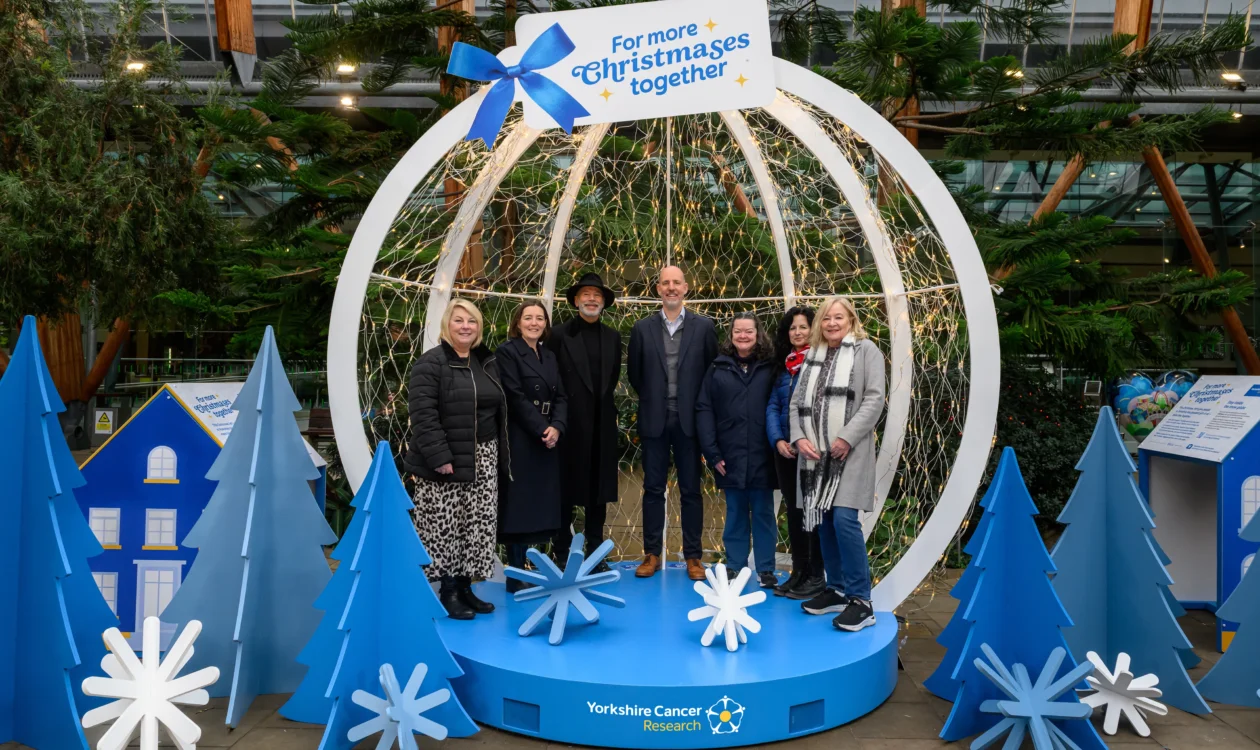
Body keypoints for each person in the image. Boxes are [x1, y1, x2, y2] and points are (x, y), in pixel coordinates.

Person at [405, 298, 508, 620]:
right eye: (459, 320)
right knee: (446, 526)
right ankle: (448, 592)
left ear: (479, 327)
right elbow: (423, 415)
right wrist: (439, 456)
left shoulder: (485, 361)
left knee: (476, 524)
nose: (466, 326)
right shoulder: (431, 363)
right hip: (446, 459)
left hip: (484, 455)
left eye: (471, 321)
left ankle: (465, 588)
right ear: (446, 325)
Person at [790, 296, 885, 632]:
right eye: (827, 318)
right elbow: (796, 403)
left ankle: (862, 600)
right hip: (815, 457)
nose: (832, 323)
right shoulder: (813, 355)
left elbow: (875, 398)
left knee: (844, 520)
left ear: (851, 320)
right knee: (825, 522)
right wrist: (798, 438)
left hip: (849, 452)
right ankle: (837, 589)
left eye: (839, 317)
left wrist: (846, 437)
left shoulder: (866, 351)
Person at [628, 265, 718, 581]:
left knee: (691, 490)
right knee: (653, 489)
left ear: (685, 287)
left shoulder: (704, 327)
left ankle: (693, 556)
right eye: (665, 283)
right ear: (658, 289)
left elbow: (710, 373)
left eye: (676, 282)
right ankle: (652, 554)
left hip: (690, 422)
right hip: (654, 419)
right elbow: (635, 374)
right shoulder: (642, 329)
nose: (671, 288)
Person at [696, 313, 779, 589]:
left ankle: (766, 569)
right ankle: (735, 566)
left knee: (764, 514)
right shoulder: (717, 368)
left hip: (763, 453)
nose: (743, 336)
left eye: (749, 332)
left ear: (758, 334)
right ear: (730, 336)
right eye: (738, 332)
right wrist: (712, 452)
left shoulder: (771, 367)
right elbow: (704, 408)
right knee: (735, 513)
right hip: (728, 455)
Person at [548, 272, 622, 570]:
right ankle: (562, 551)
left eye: (597, 295)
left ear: (603, 302)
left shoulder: (613, 337)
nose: (592, 299)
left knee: (597, 493)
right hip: (568, 424)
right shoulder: (557, 335)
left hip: (601, 424)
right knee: (564, 491)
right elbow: (551, 379)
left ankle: (595, 551)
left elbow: (612, 378)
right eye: (586, 294)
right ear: (576, 300)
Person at [497, 302, 568, 593]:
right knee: (520, 505)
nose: (534, 323)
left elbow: (562, 395)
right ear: (518, 322)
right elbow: (514, 396)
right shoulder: (507, 352)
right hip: (521, 436)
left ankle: (528, 569)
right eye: (528, 318)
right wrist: (541, 428)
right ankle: (514, 574)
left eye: (540, 318)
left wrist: (557, 426)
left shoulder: (548, 355)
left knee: (538, 504)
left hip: (548, 435)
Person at [766, 306, 826, 600]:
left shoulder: (821, 362)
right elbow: (773, 406)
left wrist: (801, 439)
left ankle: (816, 575)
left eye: (803, 326)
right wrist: (778, 439)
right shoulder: (783, 366)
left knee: (813, 511)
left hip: (810, 449)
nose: (797, 332)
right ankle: (799, 571)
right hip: (785, 451)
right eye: (792, 328)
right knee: (794, 511)